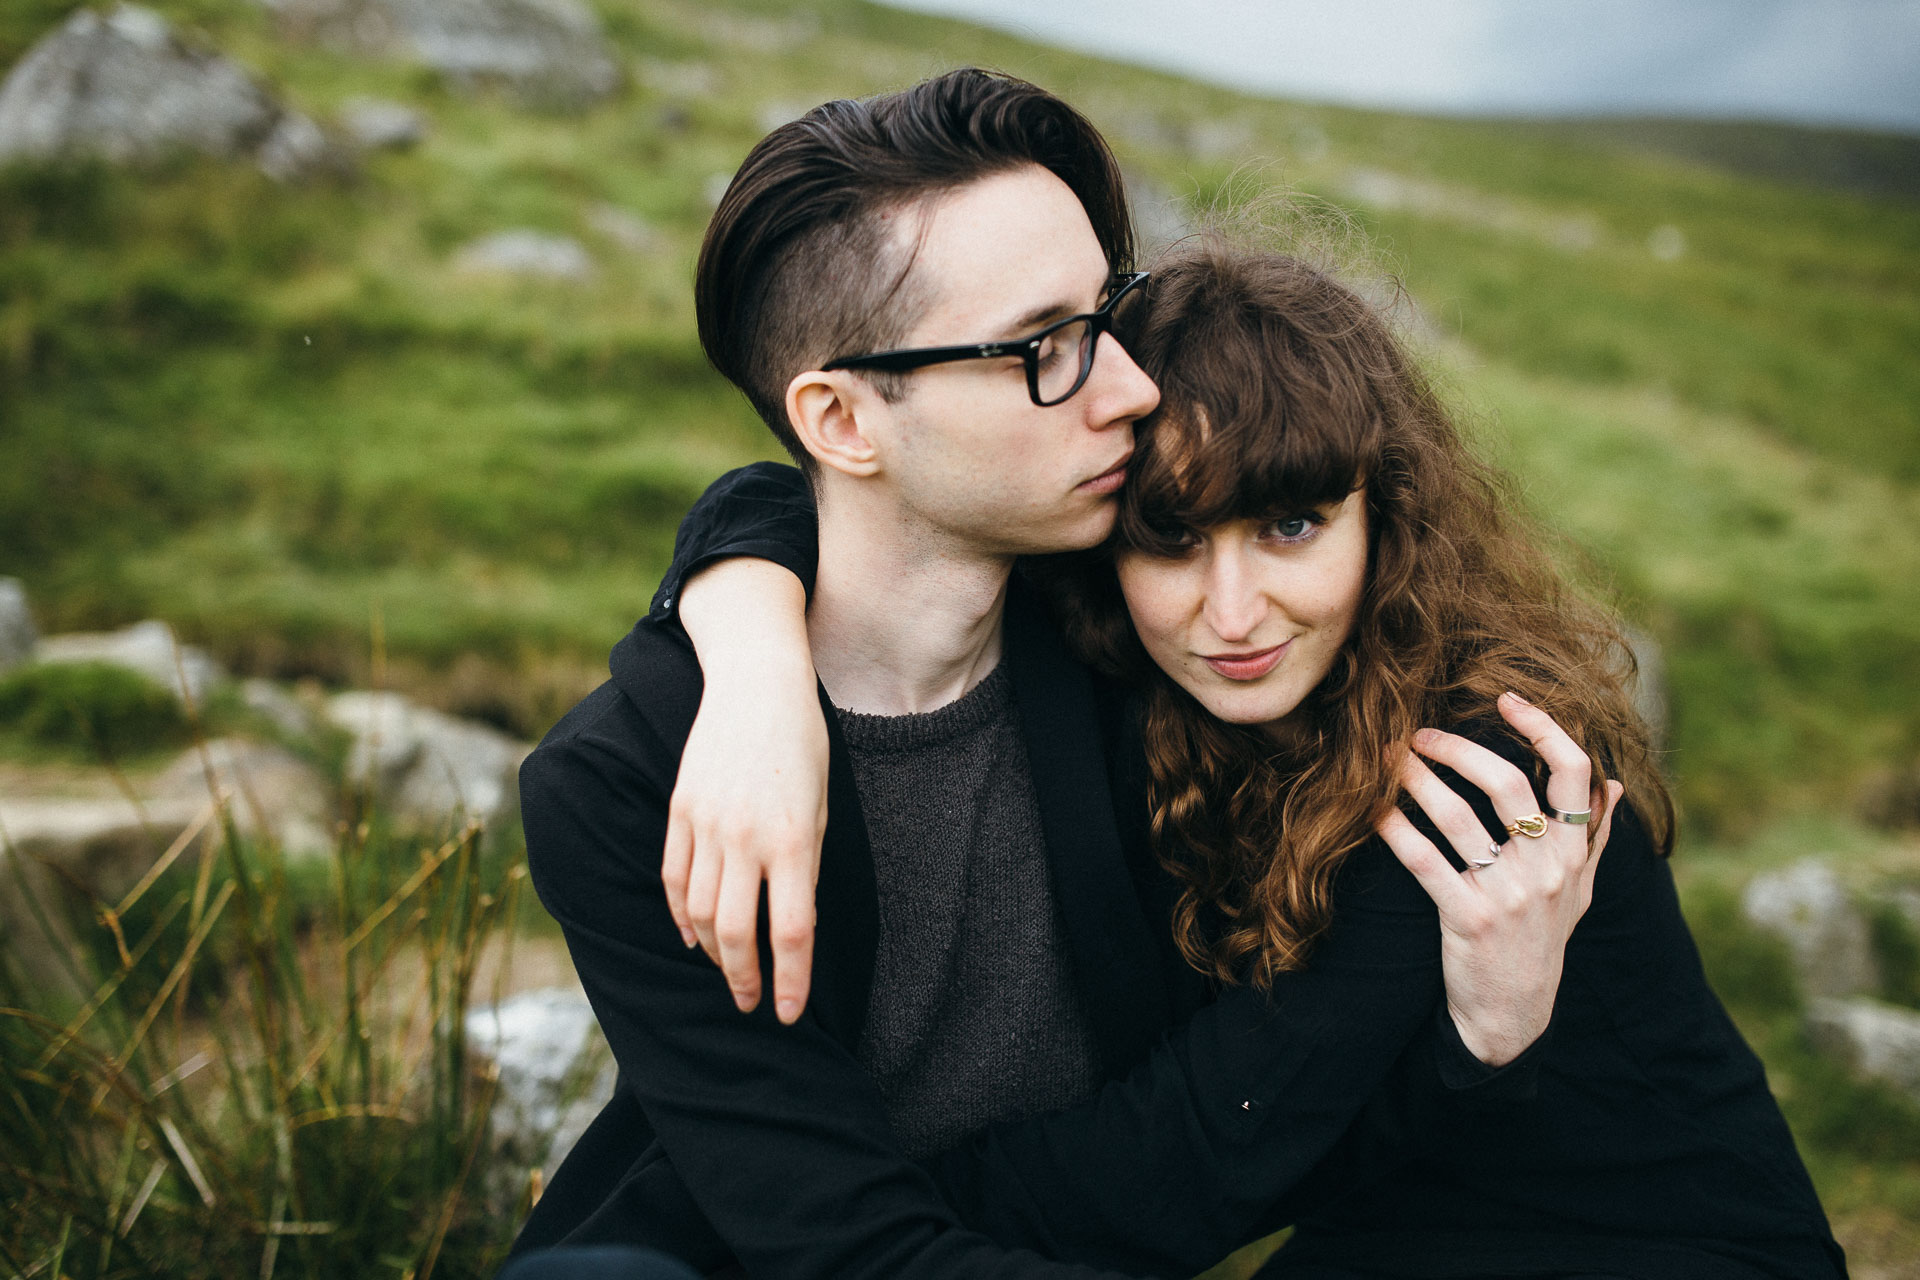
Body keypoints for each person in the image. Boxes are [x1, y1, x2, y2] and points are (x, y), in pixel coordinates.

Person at [507, 69, 1607, 1280]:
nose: (1132, 387)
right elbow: (844, 1249)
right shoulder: (625, 786)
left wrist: (1490, 1033)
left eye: (1110, 314)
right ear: (842, 423)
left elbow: (1254, 1122)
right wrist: (755, 658)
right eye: (1046, 348)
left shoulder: (1154, 626)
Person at [660, 237, 1848, 1277]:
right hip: (1394, 1225)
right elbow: (782, 493)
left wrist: (829, 1239)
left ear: (1385, 514)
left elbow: (1199, 1149)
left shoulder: (1484, 764)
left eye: (1291, 525)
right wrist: (755, 655)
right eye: (1172, 535)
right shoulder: (1132, 667)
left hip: (1658, 1239)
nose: (1233, 612)